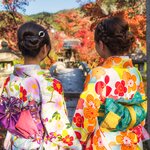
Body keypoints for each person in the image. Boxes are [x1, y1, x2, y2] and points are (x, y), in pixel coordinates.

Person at [1, 21, 81, 150]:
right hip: (39, 145)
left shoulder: (9, 81)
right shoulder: (50, 84)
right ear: (44, 49)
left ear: (21, 48)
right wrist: (76, 146)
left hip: (15, 143)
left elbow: (5, 115)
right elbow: (57, 127)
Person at [72, 16, 147, 150]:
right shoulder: (135, 74)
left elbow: (86, 115)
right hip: (132, 141)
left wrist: (76, 140)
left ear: (101, 44)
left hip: (105, 143)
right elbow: (141, 114)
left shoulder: (98, 74)